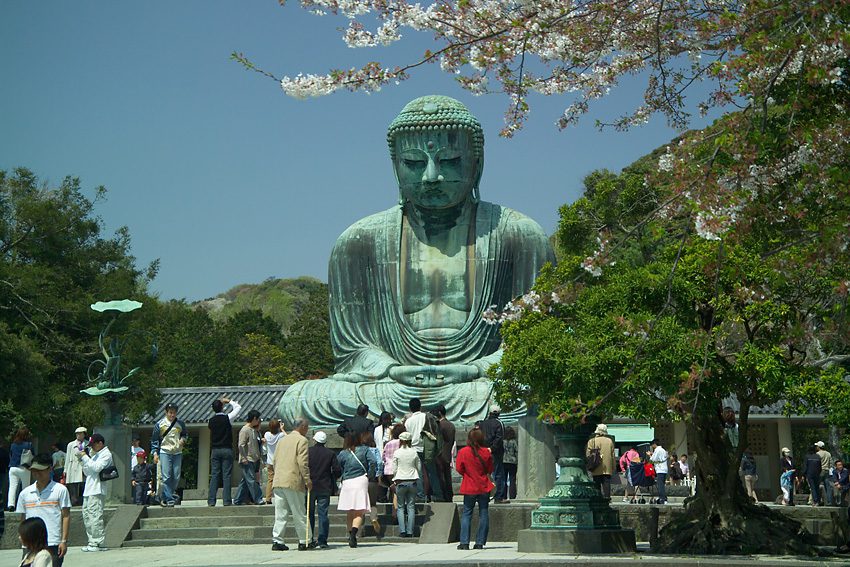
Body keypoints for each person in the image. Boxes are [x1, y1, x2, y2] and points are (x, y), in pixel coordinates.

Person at [277, 95, 554, 427]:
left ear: (476, 163)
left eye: (449, 160)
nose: (431, 176)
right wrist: (392, 369)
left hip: (477, 384)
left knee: (537, 392)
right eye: (413, 162)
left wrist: (473, 368)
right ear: (395, 166)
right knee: (300, 400)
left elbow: (530, 346)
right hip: (392, 384)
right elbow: (353, 350)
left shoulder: (519, 236)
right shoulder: (358, 242)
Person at [16, 453, 70, 566]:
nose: (37, 473)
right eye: (34, 470)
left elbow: (66, 516)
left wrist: (63, 541)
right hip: (30, 544)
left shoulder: (60, 490)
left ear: (50, 469)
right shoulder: (24, 493)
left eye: (40, 470)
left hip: (53, 542)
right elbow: (23, 519)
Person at [271, 417, 312, 552]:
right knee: (299, 512)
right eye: (306, 427)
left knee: (280, 513)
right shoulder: (302, 440)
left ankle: (278, 540)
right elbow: (302, 462)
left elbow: (275, 460)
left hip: (279, 480)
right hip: (293, 480)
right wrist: (307, 480)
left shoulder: (282, 440)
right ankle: (304, 540)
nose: (307, 430)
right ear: (302, 427)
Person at [337, 431, 378, 548]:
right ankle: (354, 534)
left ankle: (350, 534)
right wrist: (370, 474)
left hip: (347, 482)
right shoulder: (364, 450)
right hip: (360, 479)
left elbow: (337, 466)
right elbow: (374, 461)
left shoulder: (343, 453)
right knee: (359, 510)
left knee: (349, 511)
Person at [456, 427, 493, 550]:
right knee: (484, 513)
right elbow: (490, 469)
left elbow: (459, 468)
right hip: (483, 486)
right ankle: (480, 542)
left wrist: (467, 474)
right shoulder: (486, 452)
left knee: (467, 514)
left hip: (469, 486)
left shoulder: (463, 452)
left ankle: (464, 542)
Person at [76, 433, 113, 552]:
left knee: (95, 516)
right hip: (89, 488)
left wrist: (85, 457)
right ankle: (92, 541)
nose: (92, 447)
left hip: (97, 489)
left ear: (100, 443)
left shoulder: (106, 454)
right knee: (87, 516)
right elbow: (88, 472)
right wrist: (82, 461)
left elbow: (97, 468)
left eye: (93, 445)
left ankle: (98, 542)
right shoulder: (96, 455)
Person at [307, 431, 340, 549]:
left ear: (314, 440)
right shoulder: (330, 453)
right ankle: (322, 540)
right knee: (323, 514)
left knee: (309, 513)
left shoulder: (308, 452)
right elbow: (337, 470)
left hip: (310, 486)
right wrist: (333, 479)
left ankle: (308, 539)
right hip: (324, 486)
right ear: (325, 442)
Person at [151, 402, 187, 507]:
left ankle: (165, 496)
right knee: (166, 476)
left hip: (177, 452)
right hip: (164, 451)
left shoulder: (180, 423)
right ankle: (170, 499)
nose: (172, 415)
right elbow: (154, 440)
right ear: (166, 412)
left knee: (176, 476)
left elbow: (185, 434)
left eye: (174, 413)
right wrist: (155, 453)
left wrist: (183, 440)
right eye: (170, 413)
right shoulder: (159, 424)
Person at [207, 396, 241, 507]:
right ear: (222, 407)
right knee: (226, 475)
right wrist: (229, 401)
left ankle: (211, 500)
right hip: (226, 448)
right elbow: (238, 407)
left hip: (215, 450)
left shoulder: (211, 421)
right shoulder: (227, 418)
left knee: (215, 475)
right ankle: (226, 501)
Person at [391, 431, 420, 538]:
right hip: (412, 480)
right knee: (411, 507)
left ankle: (402, 530)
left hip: (400, 480)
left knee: (400, 507)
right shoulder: (414, 452)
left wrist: (395, 477)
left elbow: (394, 468)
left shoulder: (397, 453)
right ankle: (410, 531)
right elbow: (419, 466)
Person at [478, 405, 506, 503]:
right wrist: (492, 448)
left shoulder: (482, 424)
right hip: (495, 453)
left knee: (484, 474)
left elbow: (479, 437)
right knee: (498, 474)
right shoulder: (499, 423)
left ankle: (483, 495)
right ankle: (499, 497)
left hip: (482, 452)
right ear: (498, 413)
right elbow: (499, 438)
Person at [235, 409, 264, 505]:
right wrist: (244, 457)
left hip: (253, 458)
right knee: (251, 480)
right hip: (247, 459)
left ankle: (238, 499)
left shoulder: (253, 430)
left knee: (245, 481)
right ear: (254, 419)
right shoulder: (245, 430)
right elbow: (241, 444)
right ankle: (258, 498)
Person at [403, 398, 428, 500]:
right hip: (426, 447)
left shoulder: (408, 421)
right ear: (420, 406)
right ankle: (429, 494)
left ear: (410, 408)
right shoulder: (426, 417)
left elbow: (407, 436)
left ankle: (420, 494)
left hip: (413, 448)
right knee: (428, 472)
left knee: (418, 472)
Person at [586, 423, 615, 499]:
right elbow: (613, 456)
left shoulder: (592, 441)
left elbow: (588, 454)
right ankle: (607, 498)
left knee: (596, 483)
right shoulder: (609, 441)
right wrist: (613, 467)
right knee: (606, 483)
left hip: (596, 466)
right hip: (607, 467)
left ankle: (598, 499)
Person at [7, 428, 33, 512]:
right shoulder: (28, 444)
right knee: (25, 488)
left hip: (13, 468)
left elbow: (11, 454)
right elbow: (33, 455)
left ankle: (11, 505)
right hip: (24, 467)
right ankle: (24, 505)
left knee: (12, 487)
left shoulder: (13, 445)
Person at [434, 405, 456, 502]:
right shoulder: (451, 425)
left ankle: (443, 495)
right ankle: (449, 495)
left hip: (440, 454)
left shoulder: (440, 425)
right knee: (447, 476)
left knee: (441, 476)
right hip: (447, 453)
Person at [64, 427, 88, 506]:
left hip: (83, 466)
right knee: (73, 485)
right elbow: (67, 457)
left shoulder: (87, 444)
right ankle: (74, 500)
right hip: (73, 466)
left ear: (84, 434)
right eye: (77, 433)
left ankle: (83, 501)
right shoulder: (71, 444)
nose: (78, 435)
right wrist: (65, 469)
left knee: (83, 484)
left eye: (80, 433)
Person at [263, 418, 285, 504]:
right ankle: (281, 497)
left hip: (270, 461)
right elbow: (288, 437)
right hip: (279, 461)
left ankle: (268, 498)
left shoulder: (267, 434)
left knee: (270, 480)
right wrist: (282, 429)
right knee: (280, 479)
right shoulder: (280, 435)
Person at [648, 439, 669, 505]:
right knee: (662, 484)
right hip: (664, 469)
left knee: (660, 485)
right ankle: (664, 498)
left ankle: (662, 499)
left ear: (654, 444)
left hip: (660, 469)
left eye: (652, 445)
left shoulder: (657, 450)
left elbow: (652, 460)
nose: (652, 446)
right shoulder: (663, 450)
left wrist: (649, 455)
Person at [815, 441, 834, 506]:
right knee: (827, 487)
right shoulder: (828, 453)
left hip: (820, 471)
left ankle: (818, 501)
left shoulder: (817, 454)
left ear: (819, 447)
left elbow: (816, 463)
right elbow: (831, 463)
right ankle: (829, 502)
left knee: (816, 486)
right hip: (827, 471)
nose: (816, 447)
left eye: (817, 446)